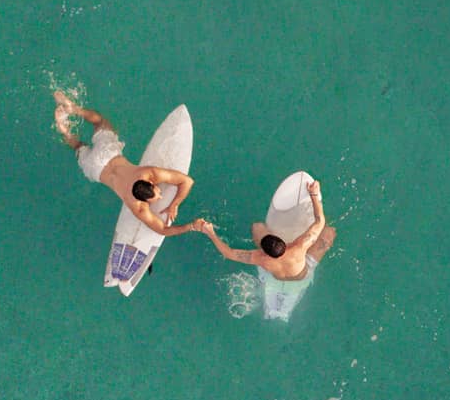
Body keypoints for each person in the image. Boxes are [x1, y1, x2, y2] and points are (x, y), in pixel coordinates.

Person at [53, 90, 197, 236]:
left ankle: (73, 110)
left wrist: (178, 209)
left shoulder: (148, 173)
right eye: (158, 195)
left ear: (150, 183)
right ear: (149, 187)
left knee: (100, 122)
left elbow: (186, 181)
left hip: (107, 154)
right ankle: (64, 129)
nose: (160, 196)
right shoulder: (138, 207)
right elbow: (163, 230)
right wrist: (175, 206)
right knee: (78, 146)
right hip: (96, 168)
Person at [192, 180, 337, 282]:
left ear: (263, 250)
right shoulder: (299, 247)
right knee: (329, 232)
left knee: (257, 227)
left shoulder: (260, 258)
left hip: (276, 275)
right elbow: (320, 220)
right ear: (285, 243)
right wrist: (314, 194)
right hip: (301, 274)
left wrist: (210, 232)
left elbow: (228, 253)